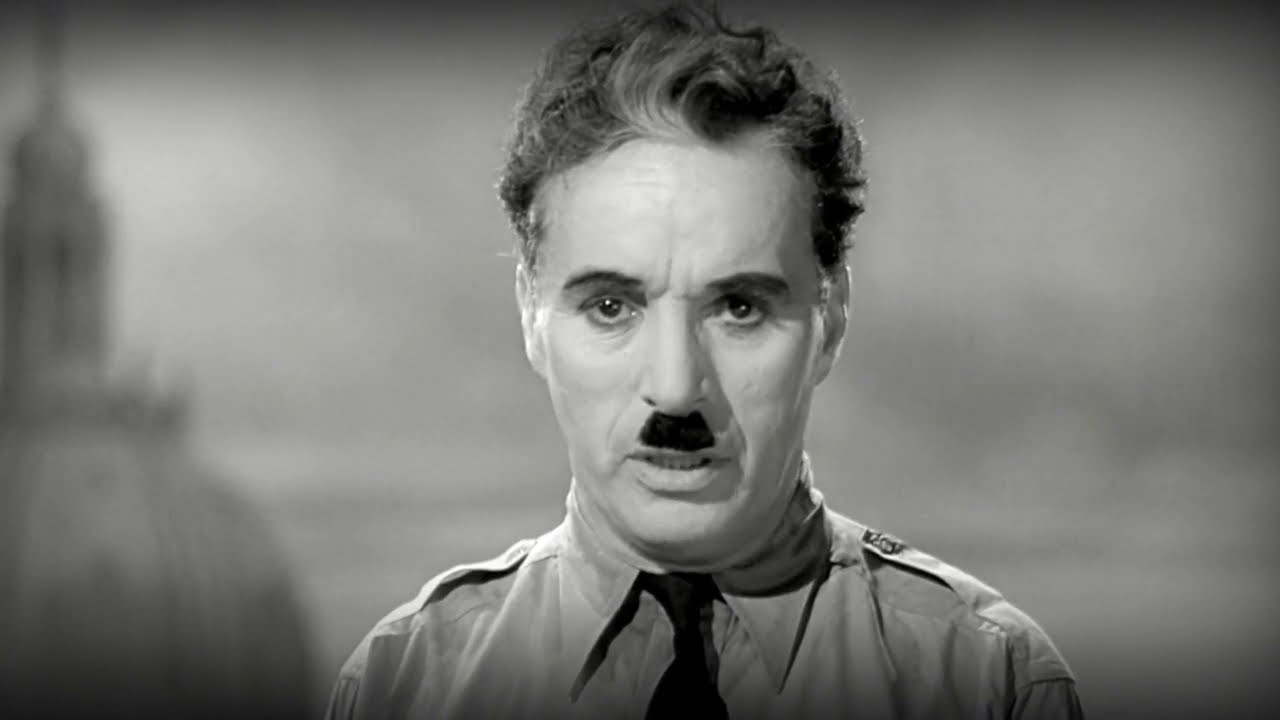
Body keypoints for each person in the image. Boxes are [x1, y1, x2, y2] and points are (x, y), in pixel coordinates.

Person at [326, 5, 1083, 719]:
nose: (676, 390)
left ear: (831, 318)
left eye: (740, 307)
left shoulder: (994, 686)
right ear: (531, 311)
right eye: (611, 307)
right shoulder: (402, 686)